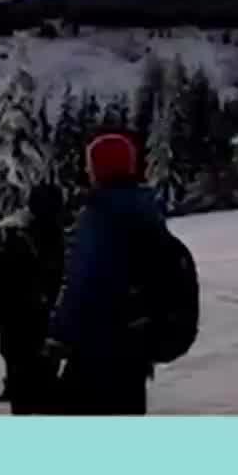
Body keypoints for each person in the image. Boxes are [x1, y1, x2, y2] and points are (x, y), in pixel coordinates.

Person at [45, 133, 169, 416]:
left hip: (97, 349)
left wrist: (57, 336)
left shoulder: (101, 214)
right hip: (134, 349)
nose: (87, 171)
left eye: (91, 165)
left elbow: (83, 281)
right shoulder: (146, 210)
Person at [0, 185, 63, 411]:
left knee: (24, 388)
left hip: (19, 322)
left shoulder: (17, 235)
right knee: (45, 387)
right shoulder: (59, 234)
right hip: (42, 320)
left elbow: (2, 281)